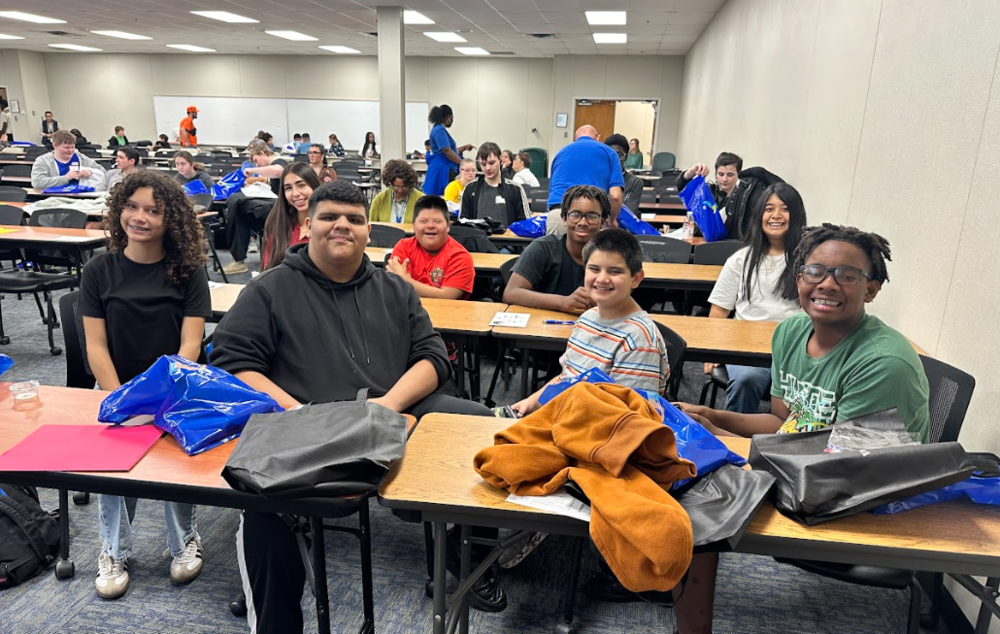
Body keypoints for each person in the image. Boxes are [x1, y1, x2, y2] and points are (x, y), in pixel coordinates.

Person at [208, 180, 495, 634]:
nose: (342, 226)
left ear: (367, 232)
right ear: (308, 225)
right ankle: (277, 622)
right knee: (260, 510)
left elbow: (432, 356)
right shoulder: (270, 289)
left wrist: (386, 407)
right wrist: (300, 414)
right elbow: (232, 361)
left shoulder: (395, 290)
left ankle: (470, 559)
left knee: (479, 428)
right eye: (329, 217)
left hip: (391, 410)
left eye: (355, 219)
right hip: (304, 424)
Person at [674, 224, 930, 634]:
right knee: (688, 463)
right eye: (815, 271)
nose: (827, 284)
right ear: (799, 279)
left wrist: (731, 449)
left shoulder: (883, 363)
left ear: (872, 289)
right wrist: (714, 417)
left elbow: (847, 469)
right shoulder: (792, 332)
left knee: (697, 497)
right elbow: (784, 423)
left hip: (865, 498)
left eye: (848, 275)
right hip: (808, 470)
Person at [79, 170, 211, 600]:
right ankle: (113, 550)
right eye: (132, 207)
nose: (140, 217)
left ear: (170, 219)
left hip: (176, 386)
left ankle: (183, 540)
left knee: (174, 463)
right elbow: (96, 347)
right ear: (119, 211)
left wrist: (161, 396)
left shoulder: (189, 272)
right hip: (116, 385)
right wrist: (121, 398)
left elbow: (191, 343)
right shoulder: (99, 270)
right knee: (112, 464)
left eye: (153, 210)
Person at [512, 228, 669, 415]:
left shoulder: (639, 341)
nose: (602, 279)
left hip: (599, 432)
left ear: (636, 279)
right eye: (594, 269)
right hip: (569, 416)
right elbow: (566, 378)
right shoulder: (587, 318)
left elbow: (629, 420)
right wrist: (531, 402)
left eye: (615, 271)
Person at [704, 183, 807, 413]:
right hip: (746, 345)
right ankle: (736, 438)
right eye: (769, 209)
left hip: (795, 348)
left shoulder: (808, 260)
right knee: (747, 380)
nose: (776, 215)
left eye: (785, 209)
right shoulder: (741, 259)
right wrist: (714, 349)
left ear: (797, 215)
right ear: (759, 215)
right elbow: (720, 309)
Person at [503, 185, 609, 313]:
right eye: (575, 215)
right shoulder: (543, 248)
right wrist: (562, 302)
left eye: (592, 216)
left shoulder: (611, 256)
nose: (582, 222)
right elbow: (511, 293)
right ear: (564, 218)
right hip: (543, 326)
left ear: (602, 222)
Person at [387, 194, 475, 300]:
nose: (430, 226)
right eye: (423, 221)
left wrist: (405, 280)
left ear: (447, 226)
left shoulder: (460, 257)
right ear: (413, 225)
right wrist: (404, 281)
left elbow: (448, 296)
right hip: (407, 314)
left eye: (437, 221)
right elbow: (398, 290)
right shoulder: (404, 247)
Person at [222, 145, 290, 274]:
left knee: (237, 204)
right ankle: (239, 259)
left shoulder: (279, 162)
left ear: (263, 154)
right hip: (275, 207)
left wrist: (251, 171)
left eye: (256, 160)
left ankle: (239, 259)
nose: (256, 164)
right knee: (239, 211)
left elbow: (278, 171)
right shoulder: (273, 166)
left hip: (282, 211)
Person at [545, 125, 624, 235]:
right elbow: (615, 196)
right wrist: (612, 220)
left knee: (558, 252)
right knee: (592, 252)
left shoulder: (560, 153)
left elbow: (552, 190)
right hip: (592, 217)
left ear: (575, 139)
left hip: (559, 213)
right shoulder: (609, 152)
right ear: (597, 137)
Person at [261, 162, 319, 271]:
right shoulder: (278, 227)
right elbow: (267, 271)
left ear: (314, 186)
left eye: (301, 185)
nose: (295, 193)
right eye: (288, 188)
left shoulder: (328, 229)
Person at [460, 142, 528, 227]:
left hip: (507, 239)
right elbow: (463, 221)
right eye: (483, 164)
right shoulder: (470, 188)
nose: (488, 168)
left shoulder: (515, 189)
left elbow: (525, 224)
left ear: (500, 161)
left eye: (492, 163)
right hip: (478, 239)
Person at [424, 105, 474, 196]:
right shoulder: (439, 129)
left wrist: (464, 148)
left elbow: (449, 150)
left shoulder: (438, 129)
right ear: (448, 117)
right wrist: (463, 163)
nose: (452, 121)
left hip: (443, 166)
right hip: (443, 169)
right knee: (446, 198)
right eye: (452, 118)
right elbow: (446, 151)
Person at [31, 129, 106, 190]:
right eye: (66, 148)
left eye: (72, 147)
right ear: (55, 145)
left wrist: (91, 172)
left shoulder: (79, 157)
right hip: (54, 197)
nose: (70, 150)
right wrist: (65, 178)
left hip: (80, 197)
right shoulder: (42, 161)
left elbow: (103, 171)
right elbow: (37, 183)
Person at [675, 151, 741, 216]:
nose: (724, 179)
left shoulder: (742, 199)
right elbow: (682, 186)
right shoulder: (706, 191)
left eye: (730, 175)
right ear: (716, 175)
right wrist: (692, 171)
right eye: (721, 174)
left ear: (738, 175)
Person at [604, 134, 643, 214]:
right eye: (610, 155)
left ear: (626, 156)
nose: (614, 160)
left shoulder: (635, 183)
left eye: (618, 155)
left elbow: (629, 213)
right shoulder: (598, 179)